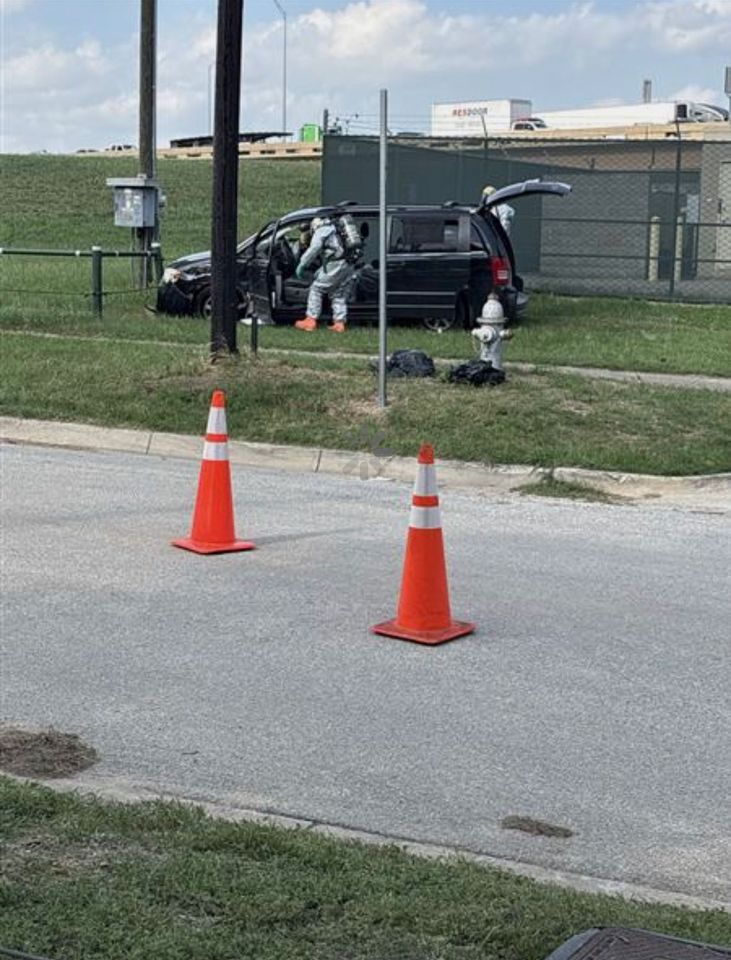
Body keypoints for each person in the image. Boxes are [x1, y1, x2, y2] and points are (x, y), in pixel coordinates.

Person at [294, 216, 355, 333]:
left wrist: (302, 264)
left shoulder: (321, 231)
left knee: (317, 288)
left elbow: (314, 249)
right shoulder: (335, 228)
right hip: (348, 264)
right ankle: (339, 323)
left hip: (336, 264)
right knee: (338, 293)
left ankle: (310, 320)